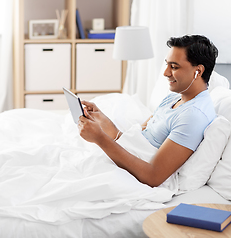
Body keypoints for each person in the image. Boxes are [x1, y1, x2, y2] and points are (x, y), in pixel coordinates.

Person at [78, 35, 218, 188]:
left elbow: (153, 176)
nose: (165, 73)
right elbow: (135, 141)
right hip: (124, 163)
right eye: (167, 64)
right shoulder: (172, 99)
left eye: (174, 67)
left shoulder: (193, 116)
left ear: (198, 71)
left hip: (135, 178)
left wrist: (100, 138)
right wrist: (103, 122)